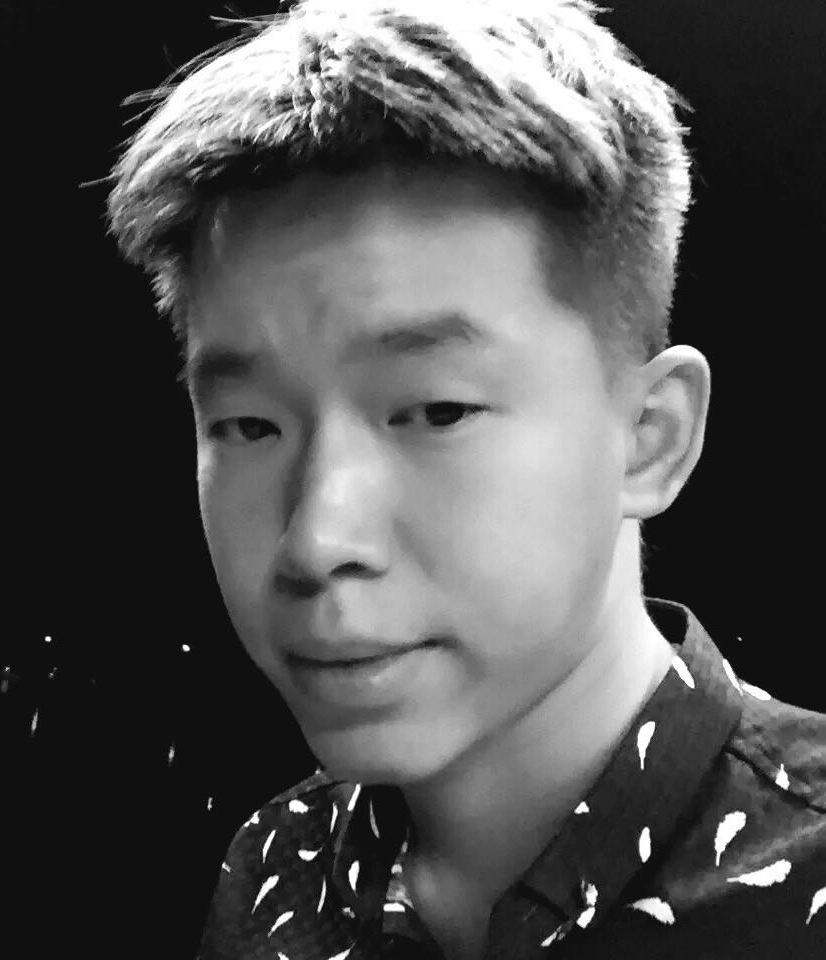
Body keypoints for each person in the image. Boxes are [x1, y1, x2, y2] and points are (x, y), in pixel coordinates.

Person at [106, 1, 826, 956]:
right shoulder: (276, 868)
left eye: (437, 410)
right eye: (248, 426)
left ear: (649, 438)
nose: (316, 540)